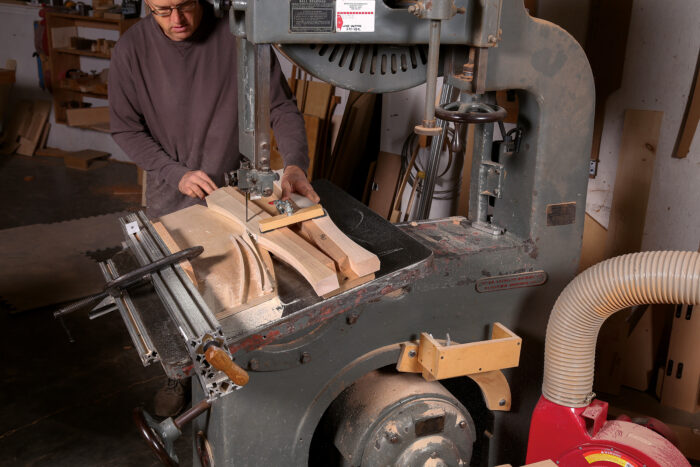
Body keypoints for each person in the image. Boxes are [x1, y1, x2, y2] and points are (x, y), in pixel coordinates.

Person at [109, 0, 319, 416]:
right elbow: (125, 127)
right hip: (172, 191)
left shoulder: (238, 38)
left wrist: (295, 162)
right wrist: (174, 171)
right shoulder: (131, 49)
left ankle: (235, 381)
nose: (176, 21)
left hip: (235, 191)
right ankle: (179, 375)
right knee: (178, 295)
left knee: (237, 293)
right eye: (161, 11)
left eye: (184, 7)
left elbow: (281, 107)